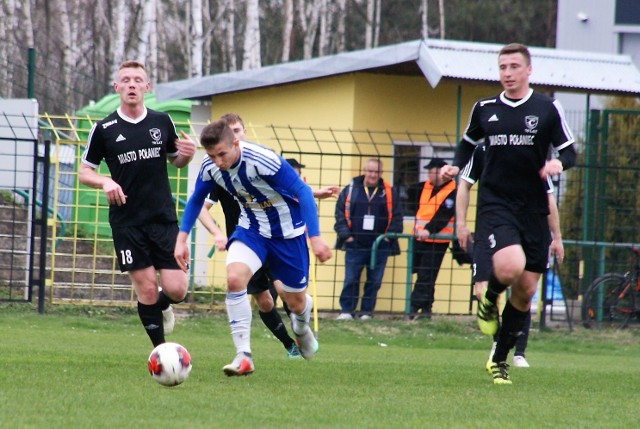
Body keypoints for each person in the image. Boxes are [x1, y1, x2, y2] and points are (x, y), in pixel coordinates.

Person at [441, 43, 576, 384]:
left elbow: (569, 151)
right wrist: (455, 167)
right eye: (502, 67)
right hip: (496, 203)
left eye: (514, 66)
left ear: (529, 70)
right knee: (510, 265)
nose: (507, 73)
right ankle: (489, 301)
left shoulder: (547, 109)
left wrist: (559, 163)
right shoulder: (484, 108)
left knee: (526, 290)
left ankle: (499, 359)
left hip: (533, 206)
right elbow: (467, 143)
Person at [175, 120, 332, 376]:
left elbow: (302, 191)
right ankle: (243, 356)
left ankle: (302, 328)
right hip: (252, 230)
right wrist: (181, 241)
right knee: (235, 279)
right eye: (212, 155)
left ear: (236, 143)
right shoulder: (210, 166)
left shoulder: (262, 159)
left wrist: (315, 238)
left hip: (287, 234)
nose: (217, 161)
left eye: (222, 154)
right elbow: (195, 201)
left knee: (295, 301)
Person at [78, 60, 196, 347]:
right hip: (127, 221)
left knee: (177, 289)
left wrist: (188, 155)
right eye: (126, 80)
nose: (132, 84)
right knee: (145, 288)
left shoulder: (162, 121)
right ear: (117, 87)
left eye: (137, 80)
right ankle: (162, 353)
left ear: (147, 87)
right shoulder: (103, 128)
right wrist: (106, 181)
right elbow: (84, 172)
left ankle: (164, 305)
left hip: (162, 219)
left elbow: (175, 161)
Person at [196, 113, 302, 359]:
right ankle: (289, 345)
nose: (235, 135)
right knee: (264, 302)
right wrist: (217, 233)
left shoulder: (258, 164)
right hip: (245, 244)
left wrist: (312, 195)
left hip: (274, 237)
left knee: (284, 291)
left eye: (238, 130)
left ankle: (300, 329)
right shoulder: (218, 173)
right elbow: (200, 206)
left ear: (241, 135)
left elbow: (290, 191)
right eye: (230, 130)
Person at [456, 145, 565, 368]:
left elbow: (549, 199)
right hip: (489, 231)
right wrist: (461, 224)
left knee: (523, 291)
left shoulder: (529, 151)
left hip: (525, 230)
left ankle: (518, 352)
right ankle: (497, 344)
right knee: (482, 290)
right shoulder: (482, 151)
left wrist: (557, 237)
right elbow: (464, 185)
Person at [333, 158, 402, 320]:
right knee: (351, 278)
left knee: (374, 281)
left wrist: (387, 239)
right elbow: (339, 213)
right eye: (370, 171)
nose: (372, 175)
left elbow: (397, 218)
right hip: (354, 243)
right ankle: (346, 311)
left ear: (381, 173)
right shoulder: (351, 189)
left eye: (376, 172)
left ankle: (366, 312)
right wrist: (346, 237)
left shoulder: (389, 192)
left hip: (380, 244)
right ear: (364, 171)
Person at [408, 158, 456, 320]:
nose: (428, 173)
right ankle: (426, 310)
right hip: (419, 238)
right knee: (424, 274)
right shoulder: (425, 186)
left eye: (431, 170)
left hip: (437, 239)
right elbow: (412, 197)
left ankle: (413, 307)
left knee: (426, 274)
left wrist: (428, 230)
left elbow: (444, 215)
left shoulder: (453, 190)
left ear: (442, 171)